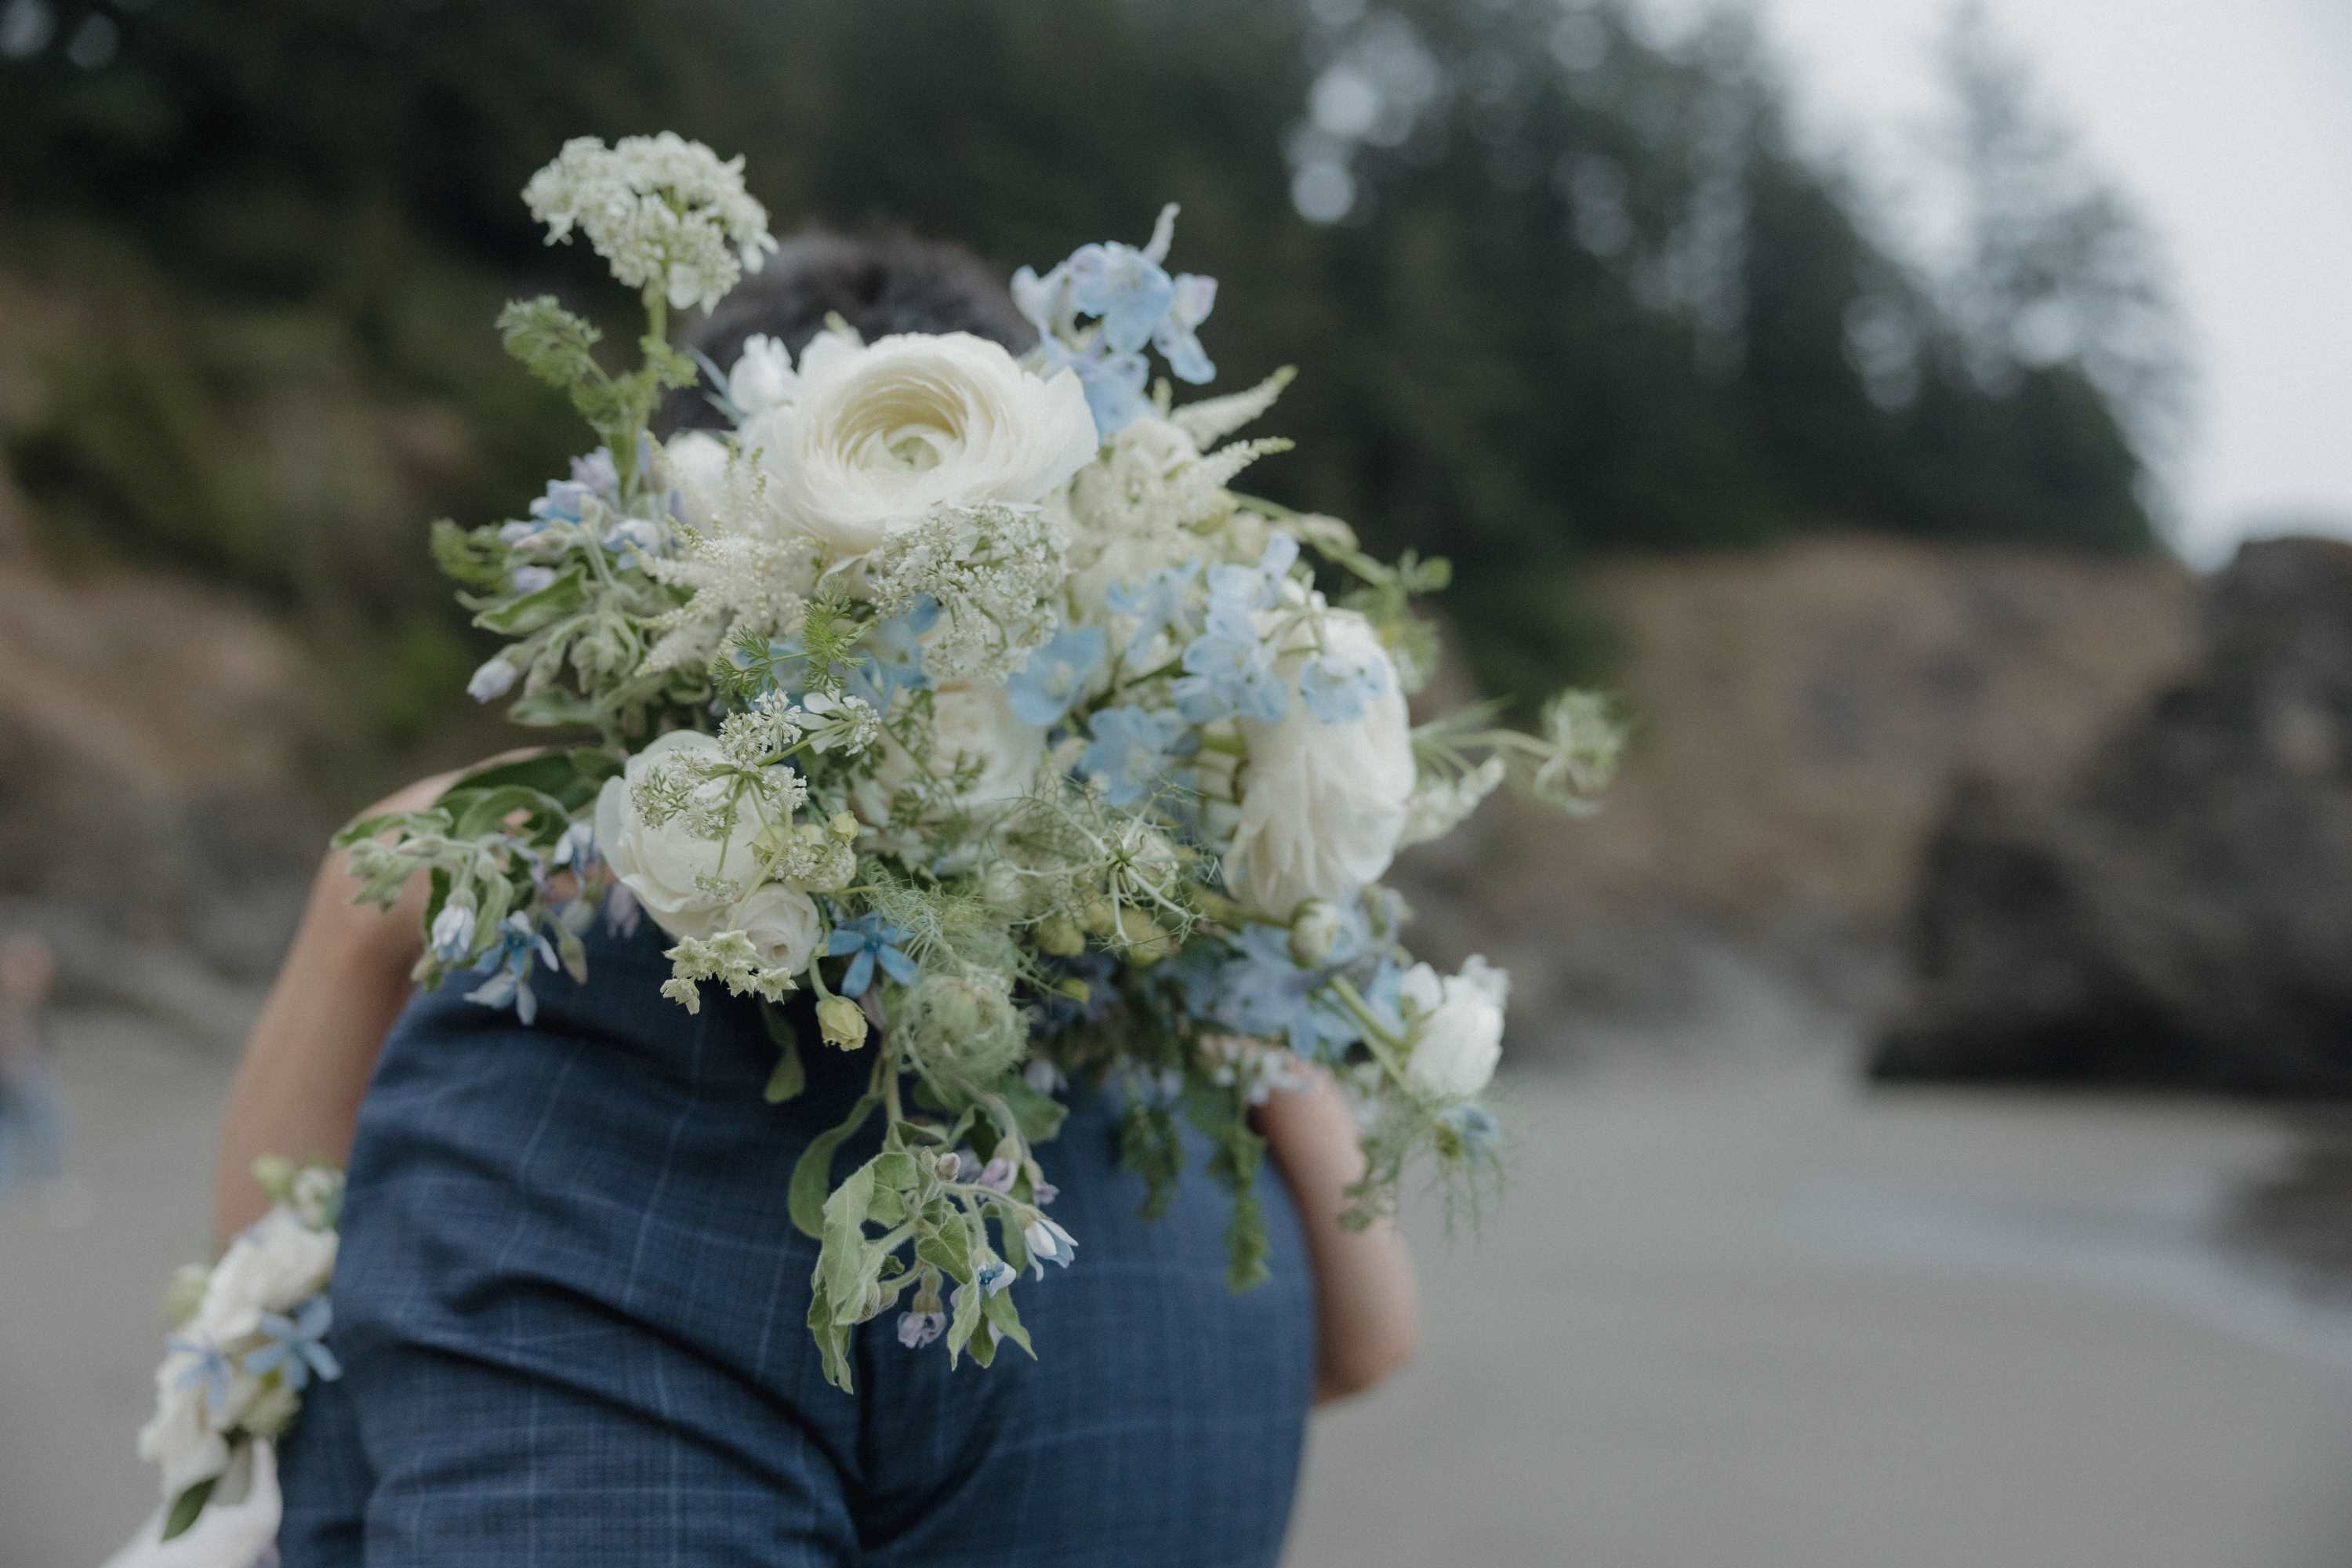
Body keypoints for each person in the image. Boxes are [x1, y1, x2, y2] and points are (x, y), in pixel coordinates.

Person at [227, 231, 1420, 1568]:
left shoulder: (565, 1027)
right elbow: (1368, 1337)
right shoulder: (1174, 999)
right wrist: (1245, 987)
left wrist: (396, 868)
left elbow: (236, 1314)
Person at [0, 931, 66, 1195]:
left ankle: (19, 1184)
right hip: (19, 1071)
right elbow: (13, 1039)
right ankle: (44, 1180)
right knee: (42, 1121)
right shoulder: (10, 1001)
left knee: (15, 1126)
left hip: (23, 1068)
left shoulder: (19, 1000)